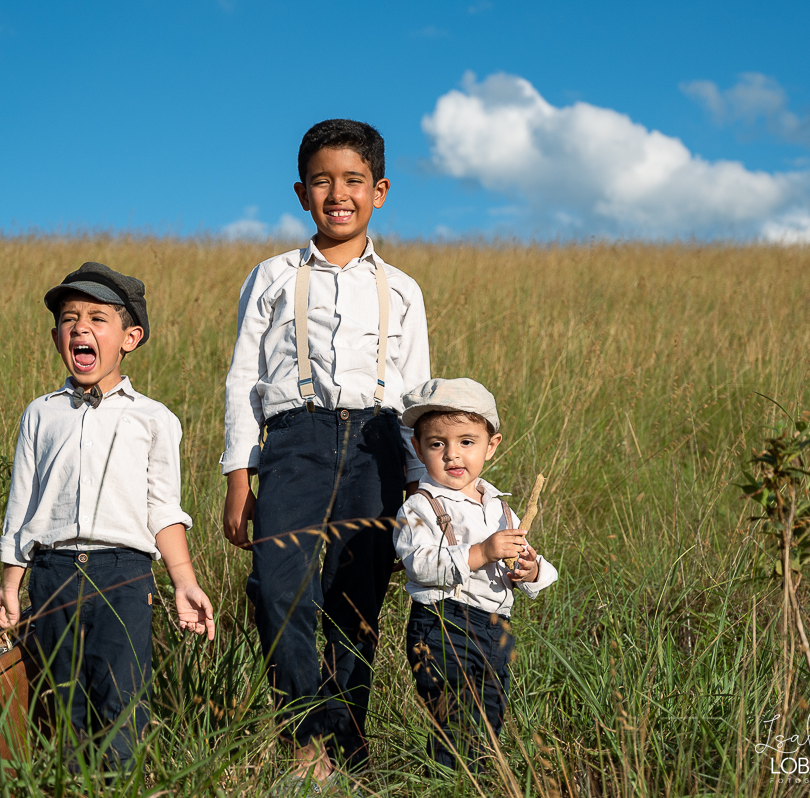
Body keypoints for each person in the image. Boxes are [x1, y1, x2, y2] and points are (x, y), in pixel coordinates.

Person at [221, 119, 430, 781]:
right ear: (301, 192)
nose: (337, 194)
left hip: (377, 447)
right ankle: (307, 729)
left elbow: (417, 391)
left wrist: (423, 487)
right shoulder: (273, 276)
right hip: (293, 441)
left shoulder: (401, 288)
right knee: (276, 588)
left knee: (356, 599)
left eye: (353, 181)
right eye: (322, 181)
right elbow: (241, 377)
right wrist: (238, 471)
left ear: (381, 190)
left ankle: (342, 753)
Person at [0, 261, 215, 772]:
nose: (81, 328)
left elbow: (164, 509)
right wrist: (11, 584)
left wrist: (183, 581)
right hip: (52, 575)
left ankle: (117, 784)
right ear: (56, 337)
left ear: (129, 337)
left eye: (97, 318)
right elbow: (21, 506)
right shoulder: (41, 413)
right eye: (70, 319)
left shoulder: (153, 418)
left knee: (121, 699)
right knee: (61, 701)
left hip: (124, 574)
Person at [395, 378, 558, 772]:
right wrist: (481, 552)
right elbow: (418, 563)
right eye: (437, 444)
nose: (453, 455)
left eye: (467, 442)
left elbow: (534, 564)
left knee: (487, 720)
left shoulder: (499, 507)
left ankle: (473, 781)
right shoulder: (419, 506)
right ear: (418, 449)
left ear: (492, 445)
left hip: (494, 628)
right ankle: (447, 780)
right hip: (442, 624)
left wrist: (529, 569)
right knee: (455, 722)